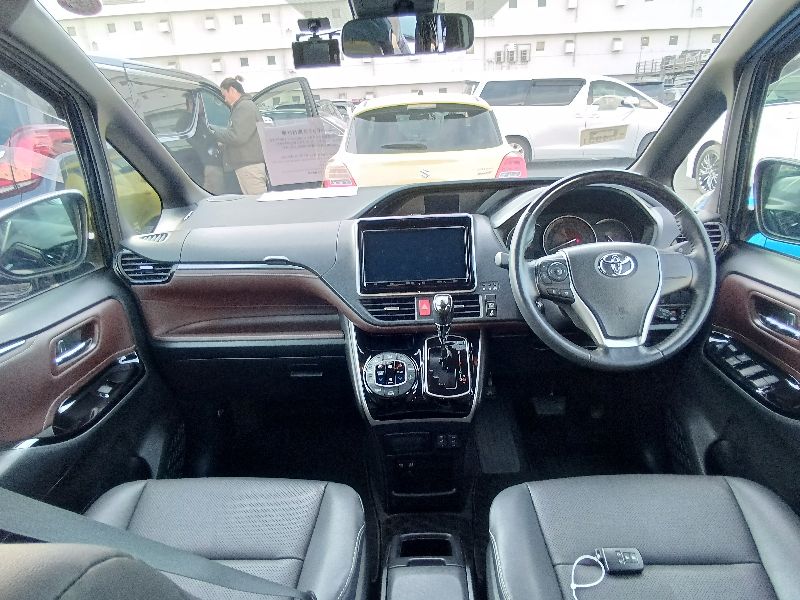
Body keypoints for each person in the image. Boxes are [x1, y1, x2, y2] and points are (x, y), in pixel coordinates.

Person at [208, 77, 268, 195]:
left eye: (224, 95)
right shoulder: (243, 106)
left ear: (232, 90)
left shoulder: (244, 107)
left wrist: (212, 130)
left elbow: (237, 136)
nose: (225, 99)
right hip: (249, 166)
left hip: (250, 167)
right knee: (255, 201)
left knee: (258, 202)